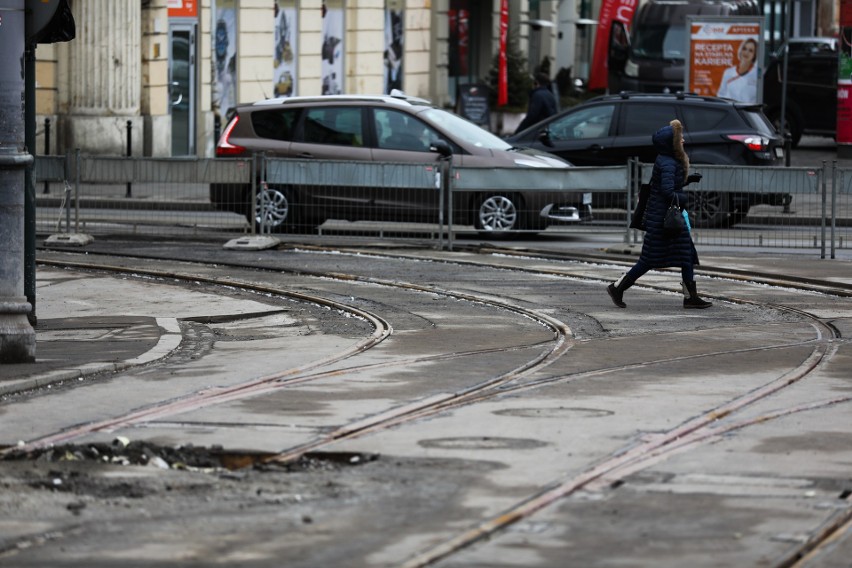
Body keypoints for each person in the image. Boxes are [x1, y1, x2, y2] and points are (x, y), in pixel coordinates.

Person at [607, 119, 713, 310]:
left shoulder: (667, 161)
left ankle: (690, 298)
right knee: (649, 260)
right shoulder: (669, 163)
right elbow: (667, 191)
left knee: (686, 256)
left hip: (665, 220)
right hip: (665, 222)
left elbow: (668, 185)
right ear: (671, 143)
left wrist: (687, 180)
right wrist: (684, 197)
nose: (683, 141)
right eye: (679, 138)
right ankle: (617, 287)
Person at [716, 38, 758, 103]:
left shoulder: (757, 74)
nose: (746, 52)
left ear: (754, 55)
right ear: (740, 50)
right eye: (744, 49)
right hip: (730, 110)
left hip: (747, 111)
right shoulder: (728, 72)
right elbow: (721, 94)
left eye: (751, 50)